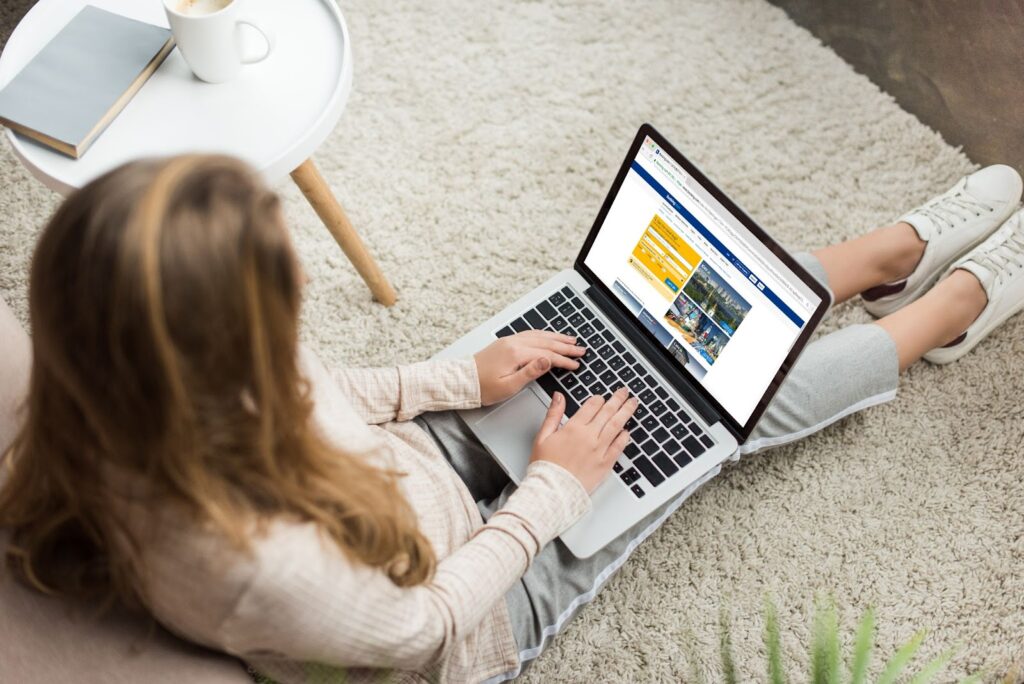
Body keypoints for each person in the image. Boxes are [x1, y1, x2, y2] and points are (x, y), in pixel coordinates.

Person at [0, 156, 1021, 684]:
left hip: (403, 479)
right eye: (284, 279)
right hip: (474, 602)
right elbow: (420, 629)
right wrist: (551, 490)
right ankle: (949, 310)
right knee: (704, 417)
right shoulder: (253, 564)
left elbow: (325, 394)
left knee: (633, 322)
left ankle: (870, 259)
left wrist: (457, 378)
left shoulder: (126, 372)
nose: (306, 274)